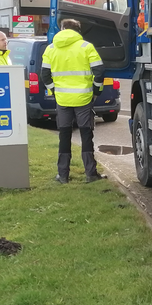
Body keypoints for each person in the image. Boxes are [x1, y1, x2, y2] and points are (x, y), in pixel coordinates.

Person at [40, 19, 106, 184]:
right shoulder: (86, 47)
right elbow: (99, 71)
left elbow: (44, 75)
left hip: (62, 99)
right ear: (78, 30)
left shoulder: (51, 48)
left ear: (62, 29)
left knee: (64, 135)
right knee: (86, 134)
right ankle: (90, 174)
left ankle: (62, 176)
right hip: (84, 98)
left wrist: (54, 90)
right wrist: (96, 90)